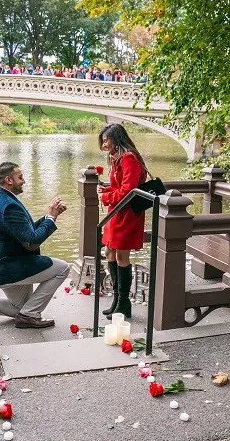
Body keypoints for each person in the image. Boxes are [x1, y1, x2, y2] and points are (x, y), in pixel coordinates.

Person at [0, 162, 70, 328]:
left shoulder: (5, 200)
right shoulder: (9, 205)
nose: (24, 181)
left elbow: (25, 233)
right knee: (63, 268)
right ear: (9, 180)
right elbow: (31, 242)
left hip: (3, 264)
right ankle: (29, 315)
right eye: (20, 177)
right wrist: (51, 219)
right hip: (7, 267)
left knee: (19, 308)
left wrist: (49, 217)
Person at [97, 124, 148, 320]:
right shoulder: (116, 158)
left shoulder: (129, 158)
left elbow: (129, 191)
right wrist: (105, 190)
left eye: (106, 140)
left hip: (126, 214)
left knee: (121, 256)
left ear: (117, 139)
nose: (103, 144)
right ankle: (116, 300)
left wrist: (106, 198)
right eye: (102, 140)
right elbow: (118, 186)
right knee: (109, 251)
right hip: (116, 212)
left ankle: (124, 303)